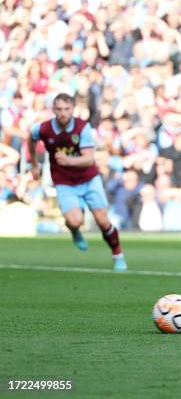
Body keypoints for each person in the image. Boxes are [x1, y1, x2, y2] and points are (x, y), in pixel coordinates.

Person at [27, 93, 127, 270]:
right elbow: (31, 137)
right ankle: (75, 231)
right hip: (64, 181)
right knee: (74, 221)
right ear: (53, 110)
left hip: (88, 178)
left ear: (72, 109)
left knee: (102, 220)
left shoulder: (82, 128)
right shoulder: (44, 129)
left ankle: (117, 254)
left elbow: (88, 159)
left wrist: (68, 160)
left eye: (67, 109)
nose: (63, 113)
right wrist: (34, 163)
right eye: (59, 109)